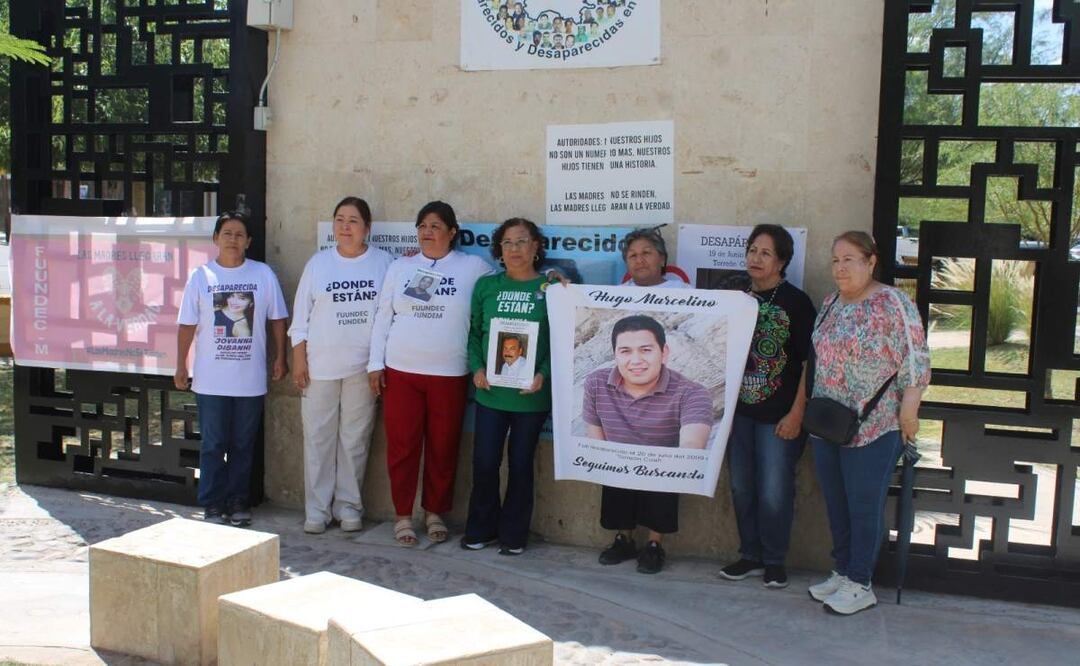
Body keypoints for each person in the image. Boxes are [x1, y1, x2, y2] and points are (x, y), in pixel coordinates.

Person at [806, 231, 930, 615]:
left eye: (850, 259)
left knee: (864, 505)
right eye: (836, 260)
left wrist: (909, 415)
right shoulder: (831, 302)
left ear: (871, 261)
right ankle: (842, 571)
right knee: (836, 503)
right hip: (828, 423)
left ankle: (861, 582)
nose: (841, 268)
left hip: (875, 425)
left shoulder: (893, 303)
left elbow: (916, 363)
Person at [368, 201, 494, 547]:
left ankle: (435, 511)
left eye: (436, 226)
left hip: (449, 373)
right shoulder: (401, 266)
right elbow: (383, 316)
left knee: (443, 446)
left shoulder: (474, 267)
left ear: (453, 232)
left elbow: (504, 290)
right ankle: (403, 515)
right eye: (422, 225)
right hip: (401, 370)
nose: (427, 232)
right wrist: (374, 364)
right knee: (403, 447)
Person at [718, 224, 816, 589]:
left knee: (775, 488)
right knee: (742, 486)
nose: (755, 259)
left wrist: (797, 413)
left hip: (780, 416)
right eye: (752, 250)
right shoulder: (735, 297)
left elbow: (810, 363)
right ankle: (750, 555)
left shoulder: (797, 303)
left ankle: (775, 560)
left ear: (783, 261)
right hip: (739, 415)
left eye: (765, 253)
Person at [175, 211, 288, 527]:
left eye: (239, 234)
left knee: (242, 445)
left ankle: (239, 500)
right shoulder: (201, 277)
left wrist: (281, 357)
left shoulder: (263, 274)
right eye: (227, 233)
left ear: (249, 241)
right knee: (213, 445)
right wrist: (181, 364)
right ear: (215, 239)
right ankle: (212, 503)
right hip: (211, 381)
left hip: (249, 381)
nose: (233, 239)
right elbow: (186, 325)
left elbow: (277, 319)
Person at [289, 196, 394, 535]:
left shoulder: (384, 263)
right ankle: (317, 510)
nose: (345, 227)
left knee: (355, 440)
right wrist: (299, 358)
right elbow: (300, 320)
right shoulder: (318, 265)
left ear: (368, 228)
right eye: (339, 220)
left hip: (362, 369)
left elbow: (390, 312)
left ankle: (348, 506)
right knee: (318, 439)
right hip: (319, 368)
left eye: (353, 221)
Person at [582, 315, 713, 574]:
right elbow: (595, 442)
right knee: (614, 470)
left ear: (663, 352)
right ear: (615, 354)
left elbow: (691, 450)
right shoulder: (596, 383)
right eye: (625, 351)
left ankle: (654, 545)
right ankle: (624, 539)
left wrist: (653, 462)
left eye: (645, 350)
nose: (635, 360)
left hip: (662, 463)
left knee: (665, 475)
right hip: (618, 460)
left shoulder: (693, 392)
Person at [462, 218, 553, 556]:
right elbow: (473, 335)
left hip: (531, 397)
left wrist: (543, 372)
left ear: (536, 247)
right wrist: (477, 368)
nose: (514, 249)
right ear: (499, 250)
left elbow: (560, 341)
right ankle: (481, 529)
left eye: (521, 241)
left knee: (521, 466)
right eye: (507, 243)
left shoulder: (551, 289)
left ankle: (514, 535)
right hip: (490, 393)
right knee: (484, 463)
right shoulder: (486, 287)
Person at [620, 228, 689, 288]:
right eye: (633, 255)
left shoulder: (684, 291)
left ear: (662, 259)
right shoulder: (614, 295)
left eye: (646, 253)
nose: (639, 260)